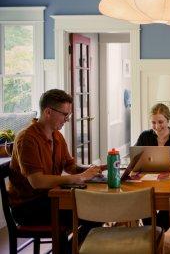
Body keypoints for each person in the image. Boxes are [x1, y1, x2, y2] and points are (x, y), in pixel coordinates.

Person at [8, 89, 101, 247]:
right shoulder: (27, 139)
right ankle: (70, 249)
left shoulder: (57, 135)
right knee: (94, 213)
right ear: (48, 112)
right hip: (28, 207)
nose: (67, 119)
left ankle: (69, 249)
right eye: (65, 115)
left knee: (97, 209)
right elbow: (37, 182)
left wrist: (92, 169)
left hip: (50, 198)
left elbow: (70, 166)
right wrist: (79, 178)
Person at [135, 103, 170, 231]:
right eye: (153, 122)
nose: (157, 127)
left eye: (160, 122)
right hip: (147, 180)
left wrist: (165, 162)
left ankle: (156, 231)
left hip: (169, 181)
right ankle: (152, 232)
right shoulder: (145, 136)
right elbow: (135, 158)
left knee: (169, 204)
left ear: (168, 120)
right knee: (141, 200)